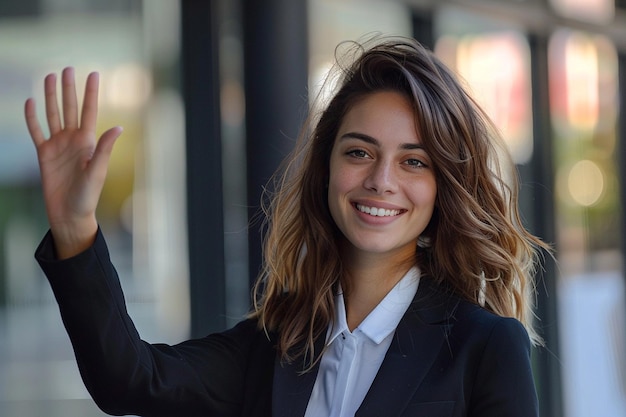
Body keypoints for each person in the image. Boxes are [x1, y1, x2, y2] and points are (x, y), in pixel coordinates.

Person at [25, 37, 549, 417]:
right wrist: (75, 228)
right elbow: (130, 382)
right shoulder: (279, 341)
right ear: (327, 168)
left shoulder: (486, 347)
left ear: (443, 187)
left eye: (414, 161)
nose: (381, 180)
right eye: (360, 152)